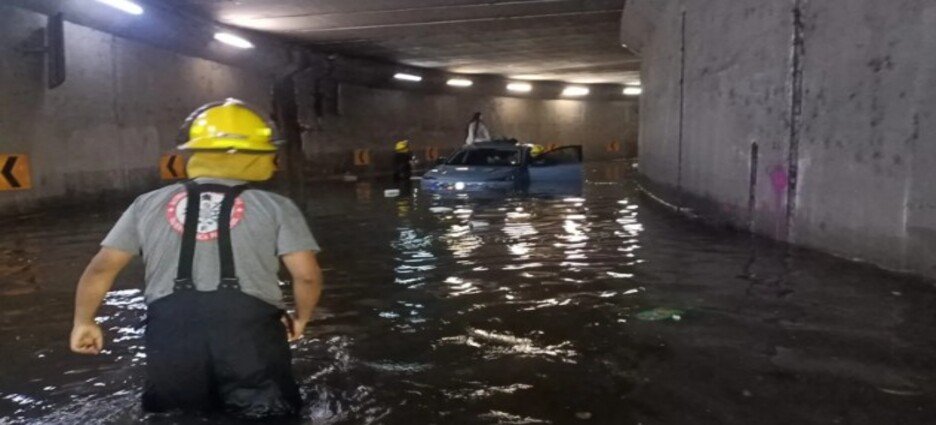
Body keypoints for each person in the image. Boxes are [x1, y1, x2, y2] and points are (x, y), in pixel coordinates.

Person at [69, 98, 323, 418]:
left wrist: (84, 321)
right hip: (250, 336)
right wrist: (301, 318)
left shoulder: (147, 204)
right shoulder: (276, 207)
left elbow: (101, 268)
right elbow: (307, 275)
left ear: (194, 152)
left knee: (174, 416)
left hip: (172, 337)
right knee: (268, 414)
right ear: (256, 155)